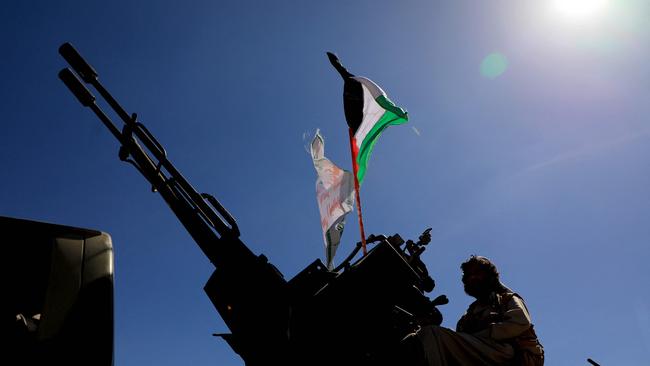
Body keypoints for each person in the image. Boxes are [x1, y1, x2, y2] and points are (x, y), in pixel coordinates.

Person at [410, 255, 544, 366]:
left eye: (477, 273)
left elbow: (519, 322)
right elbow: (459, 341)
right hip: (482, 353)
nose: (472, 278)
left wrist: (482, 334)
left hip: (509, 354)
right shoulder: (469, 314)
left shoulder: (506, 299)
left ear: (489, 277)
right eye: (468, 276)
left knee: (433, 333)